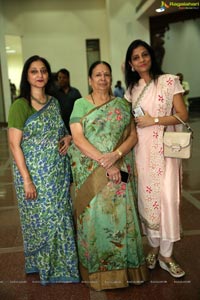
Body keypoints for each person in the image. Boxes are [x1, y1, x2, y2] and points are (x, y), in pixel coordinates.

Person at [68, 60, 149, 291]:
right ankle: (98, 274)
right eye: (97, 75)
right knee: (95, 221)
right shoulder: (80, 104)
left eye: (106, 74)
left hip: (119, 170)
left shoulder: (122, 105)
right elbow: (78, 138)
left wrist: (116, 155)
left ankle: (127, 272)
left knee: (121, 218)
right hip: (93, 172)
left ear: (111, 78)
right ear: (90, 80)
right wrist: (105, 162)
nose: (103, 78)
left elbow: (132, 136)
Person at [8, 55, 80, 285]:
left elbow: (61, 131)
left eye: (43, 71)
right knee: (41, 221)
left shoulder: (54, 102)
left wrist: (68, 138)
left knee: (61, 217)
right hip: (34, 175)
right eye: (34, 71)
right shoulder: (20, 105)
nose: (40, 75)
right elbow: (13, 144)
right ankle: (44, 266)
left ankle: (65, 265)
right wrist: (27, 180)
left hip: (57, 174)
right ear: (27, 76)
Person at [124, 39, 188, 278]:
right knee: (147, 199)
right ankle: (153, 247)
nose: (141, 60)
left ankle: (167, 254)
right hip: (142, 152)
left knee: (168, 200)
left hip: (167, 151)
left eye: (144, 55)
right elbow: (131, 125)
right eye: (136, 57)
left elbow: (182, 115)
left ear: (151, 56)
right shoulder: (132, 90)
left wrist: (156, 120)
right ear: (131, 64)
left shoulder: (169, 81)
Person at [50, 68, 82, 133]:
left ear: (68, 78)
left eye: (64, 77)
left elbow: (81, 108)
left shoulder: (75, 92)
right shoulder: (53, 93)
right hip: (59, 125)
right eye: (60, 77)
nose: (62, 80)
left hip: (74, 124)